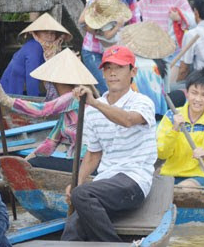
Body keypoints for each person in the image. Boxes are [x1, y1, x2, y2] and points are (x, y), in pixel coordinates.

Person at [62, 45, 157, 242]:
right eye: (108, 68)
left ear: (133, 72)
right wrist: (76, 182)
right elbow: (93, 155)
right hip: (104, 182)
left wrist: (95, 102)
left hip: (134, 180)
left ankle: (114, 245)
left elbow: (128, 120)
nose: (112, 73)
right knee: (71, 230)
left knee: (83, 194)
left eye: (119, 68)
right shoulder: (92, 112)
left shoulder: (142, 102)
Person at [0, 48, 98, 171]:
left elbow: (42, 110)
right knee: (35, 161)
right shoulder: (66, 113)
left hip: (85, 163)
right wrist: (26, 160)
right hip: (76, 160)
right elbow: (51, 142)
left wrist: (7, 101)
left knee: (37, 163)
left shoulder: (74, 97)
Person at [157, 68, 204, 188]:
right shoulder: (171, 116)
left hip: (202, 175)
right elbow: (162, 152)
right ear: (187, 93)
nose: (198, 99)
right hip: (171, 174)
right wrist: (174, 130)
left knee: (183, 188)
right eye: (194, 93)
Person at [78, 0, 141, 94]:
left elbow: (136, 22)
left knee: (123, 91)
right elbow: (82, 21)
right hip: (94, 51)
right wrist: (104, 33)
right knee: (109, 90)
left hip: (116, 54)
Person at [138, 0, 196, 84]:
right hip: (151, 51)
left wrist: (179, 17)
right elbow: (134, 16)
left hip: (173, 52)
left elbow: (193, 21)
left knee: (168, 85)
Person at [0, 13, 72, 97]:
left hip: (19, 90)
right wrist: (35, 102)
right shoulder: (34, 47)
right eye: (45, 32)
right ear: (36, 33)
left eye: (52, 33)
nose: (49, 36)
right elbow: (32, 78)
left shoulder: (49, 50)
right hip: (9, 91)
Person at [120, 21, 175, 119]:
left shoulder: (129, 63)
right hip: (158, 112)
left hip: (134, 111)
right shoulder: (164, 64)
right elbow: (166, 92)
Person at [81, 0, 132, 94]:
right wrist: (118, 26)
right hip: (93, 52)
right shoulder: (104, 21)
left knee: (113, 84)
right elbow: (108, 35)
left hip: (108, 54)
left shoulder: (109, 17)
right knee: (106, 86)